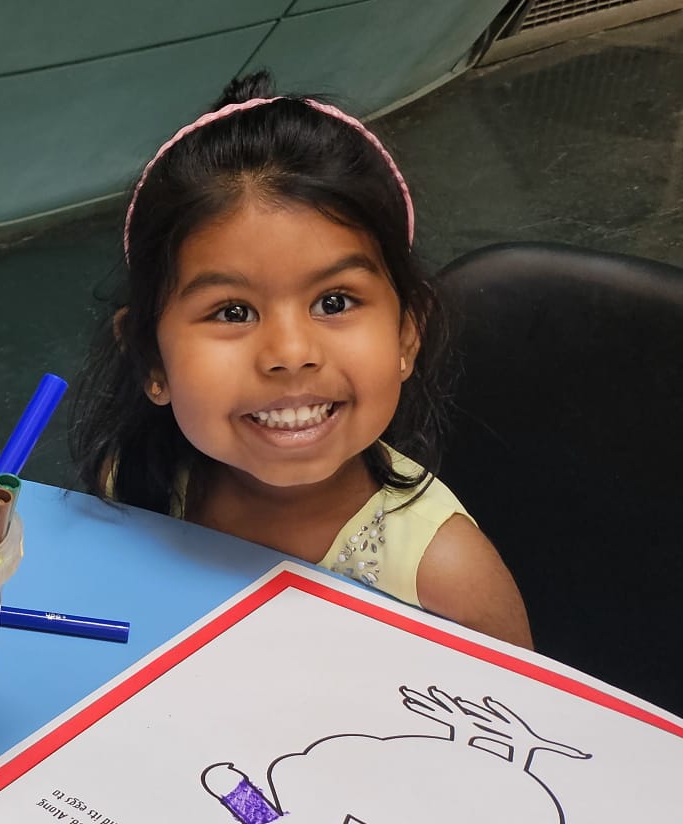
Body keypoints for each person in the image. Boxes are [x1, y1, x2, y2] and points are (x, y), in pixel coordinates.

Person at [69, 74, 529, 645]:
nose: (290, 354)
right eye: (233, 312)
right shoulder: (138, 485)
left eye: (334, 302)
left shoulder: (446, 579)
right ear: (150, 362)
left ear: (407, 335)